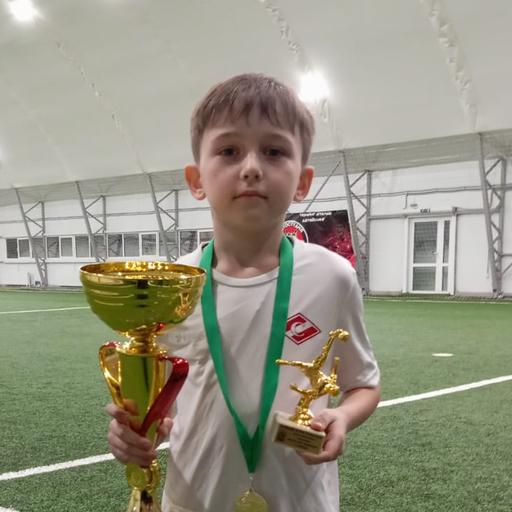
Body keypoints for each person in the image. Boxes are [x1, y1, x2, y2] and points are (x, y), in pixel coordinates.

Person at [106, 73, 381, 512]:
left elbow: (363, 385)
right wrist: (133, 432)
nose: (251, 167)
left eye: (274, 151)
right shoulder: (171, 286)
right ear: (196, 179)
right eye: (229, 151)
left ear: (302, 181)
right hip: (194, 501)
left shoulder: (332, 277)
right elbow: (159, 408)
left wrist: (341, 417)